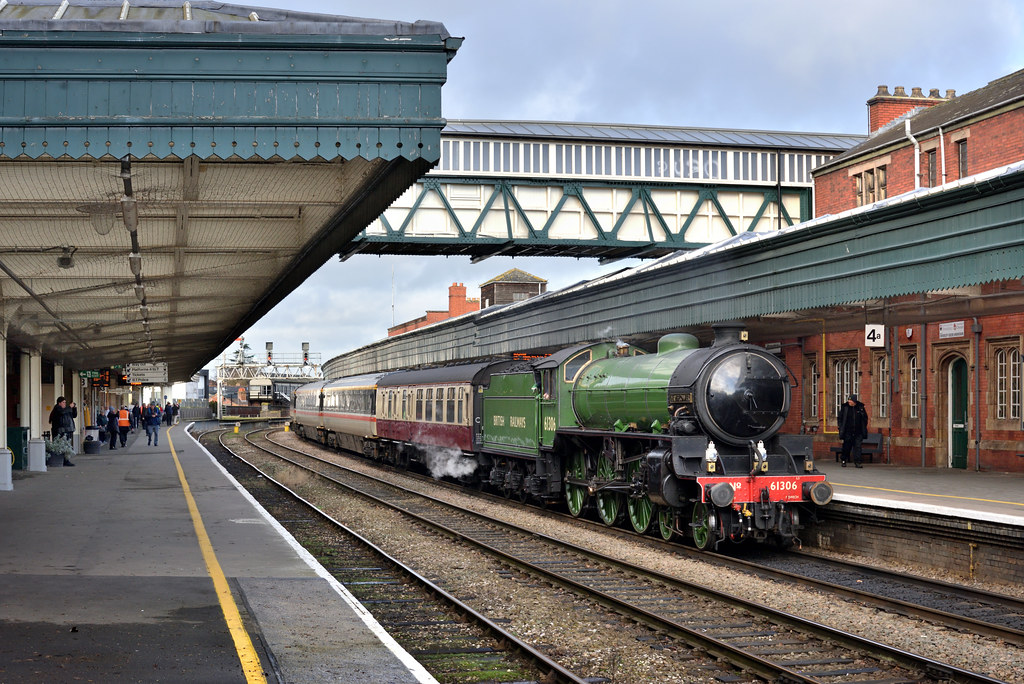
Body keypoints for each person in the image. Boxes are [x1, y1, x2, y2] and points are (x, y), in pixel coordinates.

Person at [838, 393, 869, 468]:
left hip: (858, 431)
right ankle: (844, 460)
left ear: (854, 401)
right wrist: (840, 427)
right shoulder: (845, 407)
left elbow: (865, 418)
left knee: (858, 447)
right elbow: (840, 418)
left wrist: (863, 427)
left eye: (850, 400)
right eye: (848, 400)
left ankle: (857, 461)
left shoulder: (860, 407)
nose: (849, 402)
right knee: (846, 446)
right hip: (848, 431)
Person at [47, 396, 77, 466]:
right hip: (60, 431)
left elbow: (74, 415)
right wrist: (69, 407)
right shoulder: (58, 409)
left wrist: (74, 408)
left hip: (67, 430)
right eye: (63, 402)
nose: (64, 404)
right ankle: (62, 460)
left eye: (65, 402)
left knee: (67, 446)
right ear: (59, 403)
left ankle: (66, 460)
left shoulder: (66, 410)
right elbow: (62, 412)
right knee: (62, 446)